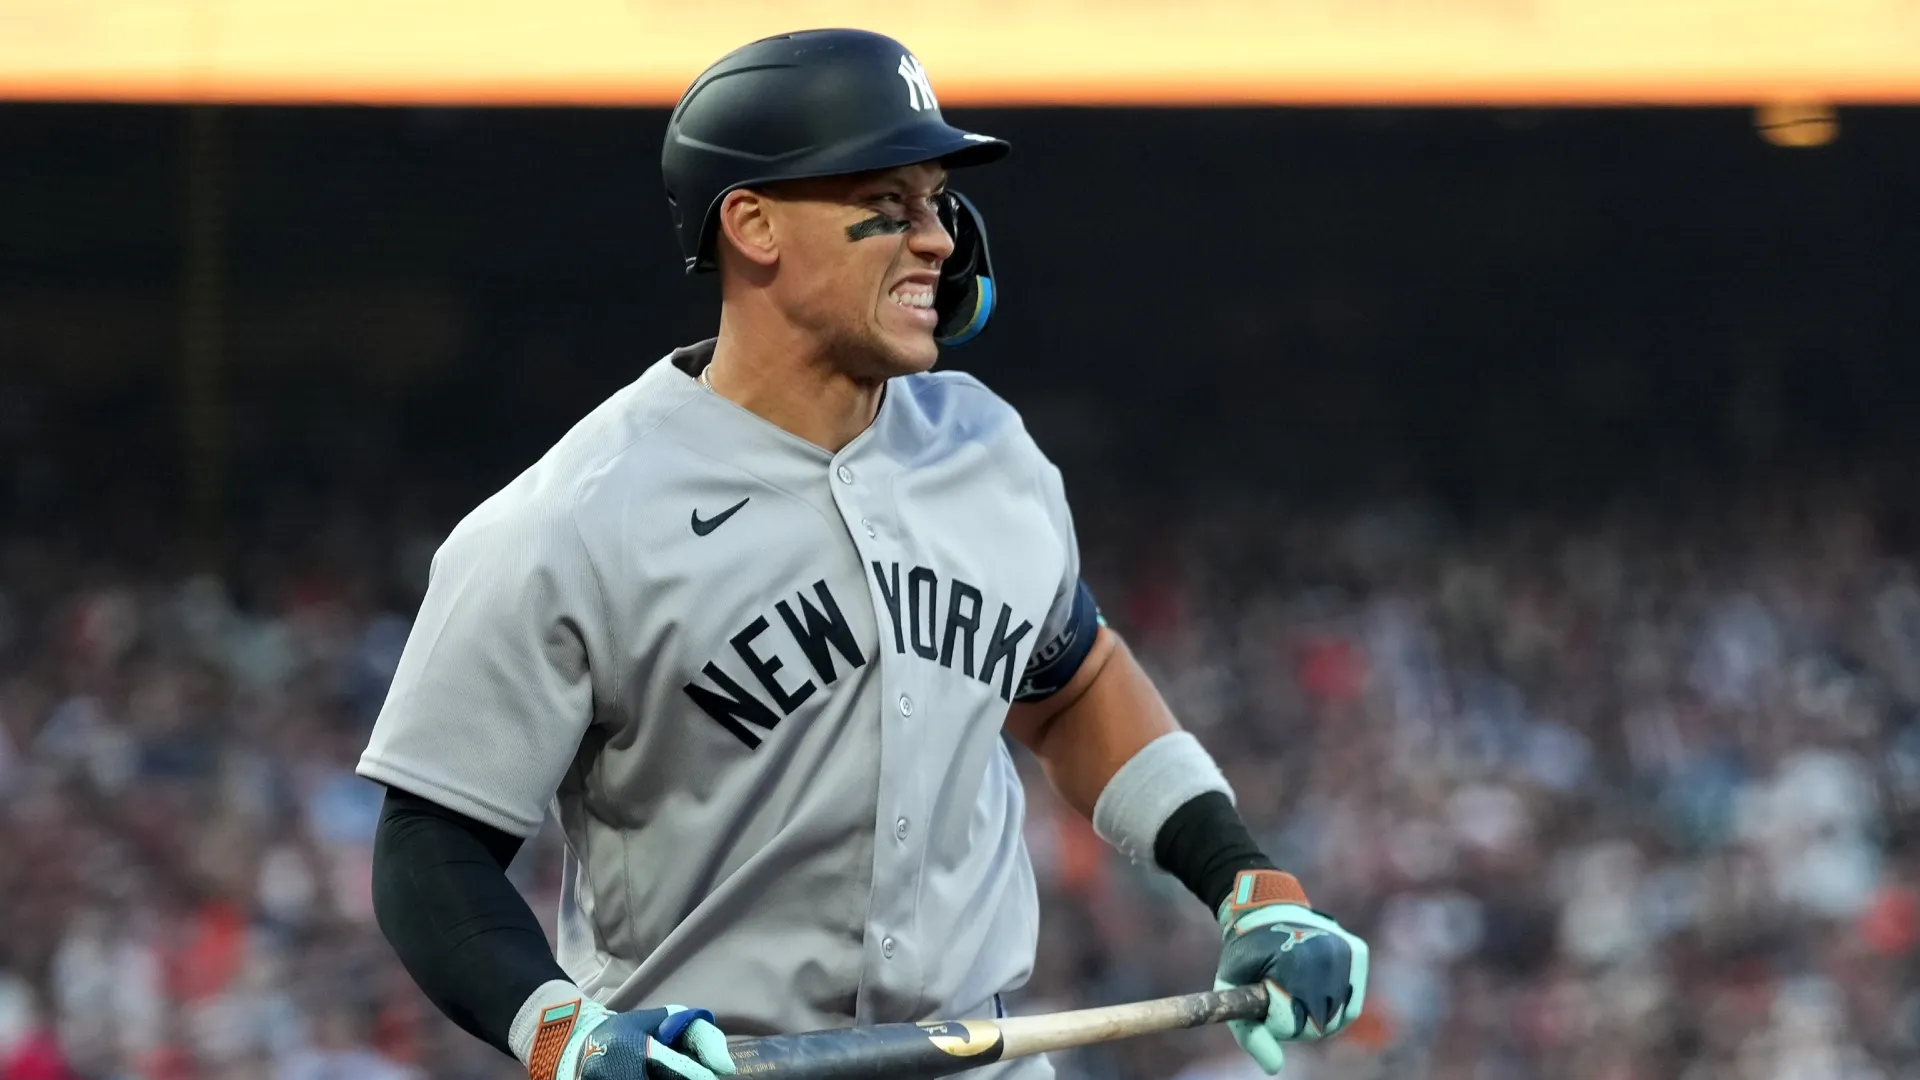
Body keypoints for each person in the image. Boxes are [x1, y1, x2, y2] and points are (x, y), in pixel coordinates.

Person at [357, 28, 1368, 1080]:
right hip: (712, 1066)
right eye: (889, 205)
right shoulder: (574, 517)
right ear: (751, 224)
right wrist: (562, 1032)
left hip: (983, 1051)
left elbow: (1066, 683)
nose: (936, 239)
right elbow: (431, 845)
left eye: (940, 203)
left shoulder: (988, 452)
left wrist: (1246, 880)